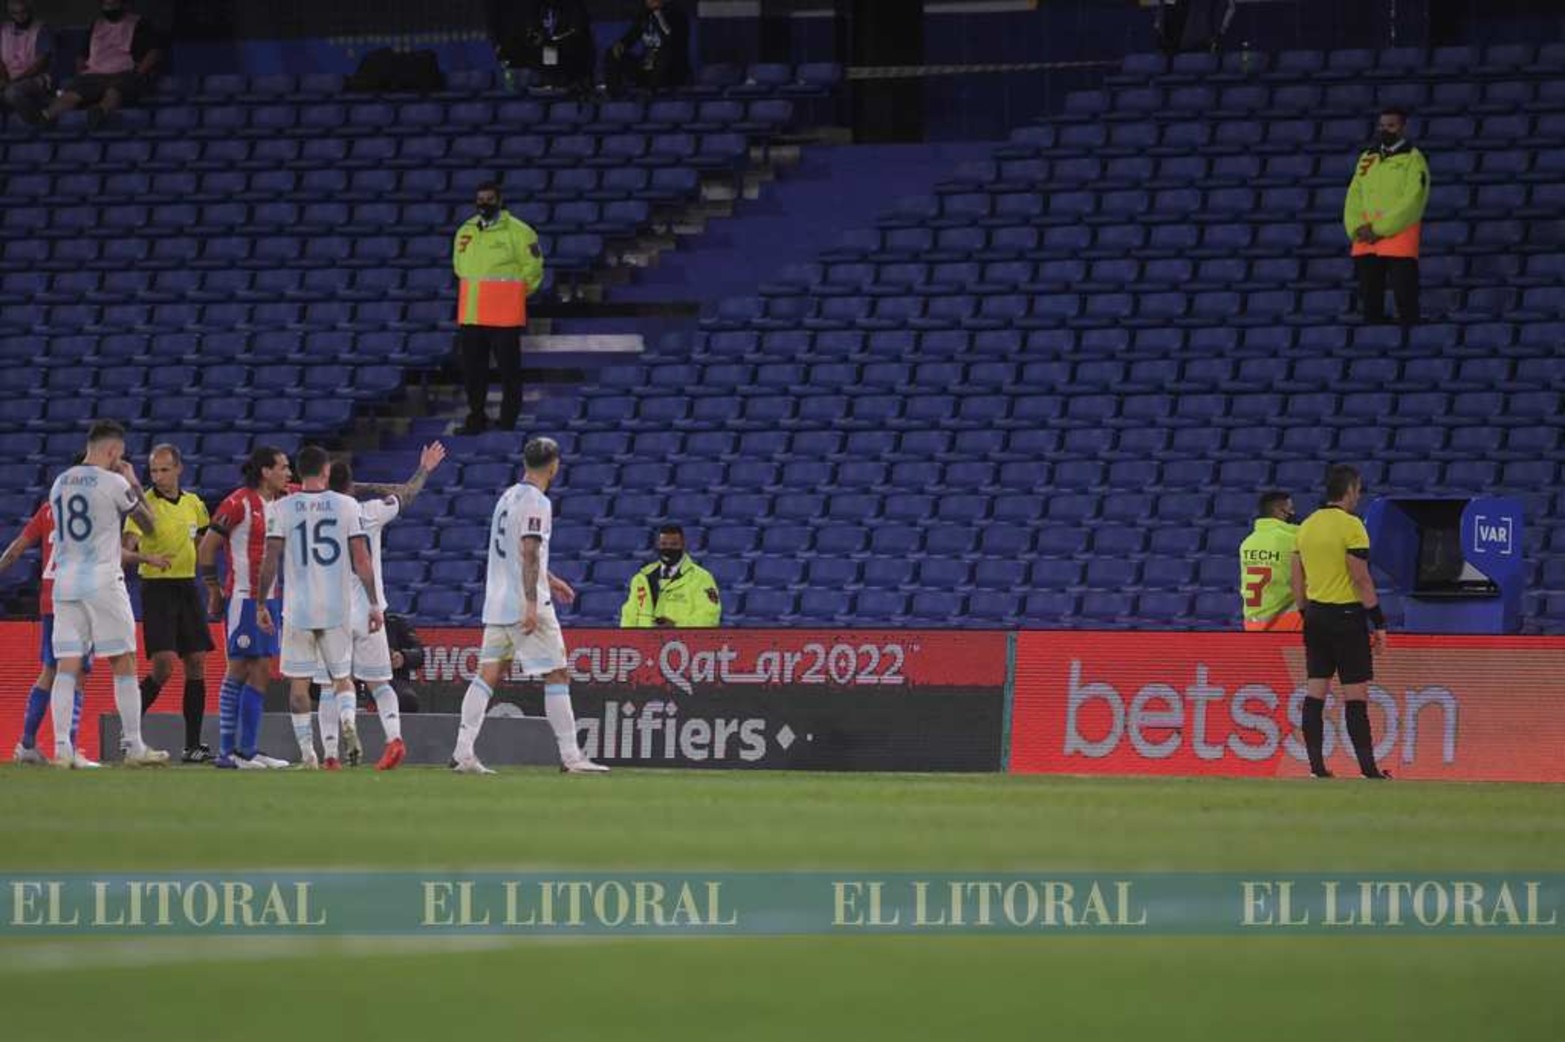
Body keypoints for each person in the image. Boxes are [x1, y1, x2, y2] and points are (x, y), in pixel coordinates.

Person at [452, 436, 606, 774]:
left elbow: (515, 552)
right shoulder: (538, 502)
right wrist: (533, 603)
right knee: (557, 673)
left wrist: (551, 579)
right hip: (524, 603)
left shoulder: (507, 498)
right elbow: (529, 551)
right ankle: (571, 757)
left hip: (497, 603)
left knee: (488, 674)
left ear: (525, 463)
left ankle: (462, 752)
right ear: (554, 466)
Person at [310, 443, 446, 770]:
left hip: (331, 611)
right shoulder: (369, 511)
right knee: (380, 683)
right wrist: (424, 468)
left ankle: (331, 754)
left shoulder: (313, 515)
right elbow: (406, 495)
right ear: (350, 483)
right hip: (368, 611)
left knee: (330, 685)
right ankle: (394, 739)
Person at [46, 420, 169, 768]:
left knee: (67, 666)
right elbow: (149, 526)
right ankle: (134, 746)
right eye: (120, 454)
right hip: (101, 580)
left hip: (65, 583)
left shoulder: (60, 482)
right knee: (124, 660)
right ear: (113, 450)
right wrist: (133, 483)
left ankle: (62, 749)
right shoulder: (113, 482)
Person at [255, 445, 382, 771]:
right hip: (336, 607)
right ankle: (348, 721)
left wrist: (261, 602)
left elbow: (270, 560)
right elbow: (361, 559)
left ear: (299, 472)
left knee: (298, 687)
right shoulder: (347, 505)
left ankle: (309, 754)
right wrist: (373, 604)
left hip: (298, 609)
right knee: (341, 679)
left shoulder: (280, 507)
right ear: (326, 471)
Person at [1289, 464, 1391, 780]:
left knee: (1315, 692)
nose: (1358, 496)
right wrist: (1378, 622)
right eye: (1357, 490)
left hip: (1316, 615)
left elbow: (1296, 578)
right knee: (1355, 697)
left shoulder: (1306, 526)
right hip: (1347, 617)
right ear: (1349, 491)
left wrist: (1306, 613)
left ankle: (1317, 768)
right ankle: (1368, 770)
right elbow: (1360, 578)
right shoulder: (1352, 526)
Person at [197, 445, 293, 770]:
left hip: (269, 598)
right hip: (243, 598)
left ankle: (245, 750)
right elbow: (206, 548)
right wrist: (213, 589)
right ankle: (231, 752)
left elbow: (318, 488)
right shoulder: (238, 503)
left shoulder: (283, 499)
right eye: (283, 467)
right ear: (266, 471)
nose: (288, 473)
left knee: (260, 669)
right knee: (242, 668)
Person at [122, 444, 215, 763]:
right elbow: (126, 549)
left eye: (164, 470)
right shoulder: (143, 506)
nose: (158, 476)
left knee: (197, 662)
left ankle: (192, 746)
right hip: (157, 589)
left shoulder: (194, 504)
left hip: (187, 586)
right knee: (163, 666)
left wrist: (213, 582)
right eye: (153, 471)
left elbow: (204, 543)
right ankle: (129, 734)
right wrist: (145, 556)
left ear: (178, 469)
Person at [452, 181, 545, 435]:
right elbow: (460, 267)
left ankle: (507, 422)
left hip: (505, 316)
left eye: (489, 199)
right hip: (472, 315)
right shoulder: (465, 230)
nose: (484, 203)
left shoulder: (520, 231)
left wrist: (514, 296)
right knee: (473, 373)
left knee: (509, 374)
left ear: (500, 201)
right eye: (480, 199)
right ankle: (476, 420)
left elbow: (534, 269)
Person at [1345, 107, 1430, 327]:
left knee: (1406, 303)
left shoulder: (1413, 159)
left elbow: (1413, 201)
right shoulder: (1367, 158)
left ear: (1403, 128)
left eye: (1391, 126)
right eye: (1382, 126)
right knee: (1370, 306)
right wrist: (1356, 227)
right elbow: (1354, 195)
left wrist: (1379, 229)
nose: (1384, 130)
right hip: (1366, 240)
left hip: (1398, 239)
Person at [42, 0, 165, 130]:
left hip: (124, 73)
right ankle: (46, 116)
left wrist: (138, 74)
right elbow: (82, 56)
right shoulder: (96, 25)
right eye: (106, 5)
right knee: (71, 94)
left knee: (113, 92)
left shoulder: (140, 23)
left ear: (123, 4)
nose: (109, 8)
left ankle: (100, 111)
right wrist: (80, 74)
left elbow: (154, 52)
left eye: (113, 4)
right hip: (93, 75)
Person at [619, 524, 722, 628]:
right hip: (644, 638)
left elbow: (710, 617)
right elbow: (629, 615)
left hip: (682, 638)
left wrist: (677, 626)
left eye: (674, 544)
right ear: (658, 544)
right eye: (664, 544)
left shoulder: (702, 578)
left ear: (683, 545)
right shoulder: (641, 578)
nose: (668, 548)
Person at [490, 0, 595, 94]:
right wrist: (537, 36)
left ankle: (565, 81)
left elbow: (577, 30)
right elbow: (535, 30)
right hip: (550, 49)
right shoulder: (538, 7)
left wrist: (554, 39)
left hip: (572, 52)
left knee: (556, 50)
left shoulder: (572, 6)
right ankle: (550, 81)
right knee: (544, 51)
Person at [1238, 490, 1302, 633]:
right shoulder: (1293, 540)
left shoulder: (1247, 543)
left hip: (1253, 624)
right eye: (1290, 508)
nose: (1293, 513)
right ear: (1279, 511)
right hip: (1287, 622)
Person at [604, 0, 690, 95]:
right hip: (647, 69)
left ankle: (652, 90)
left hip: (668, 71)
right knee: (613, 53)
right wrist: (621, 45)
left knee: (663, 54)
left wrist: (658, 13)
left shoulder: (675, 14)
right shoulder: (645, 16)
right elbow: (631, 37)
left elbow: (671, 40)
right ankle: (613, 93)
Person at [0, 0, 55, 125]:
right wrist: (3, 79)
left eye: (23, 12)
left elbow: (39, 64)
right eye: (15, 13)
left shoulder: (41, 29)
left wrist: (12, 82)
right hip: (9, 78)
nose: (20, 16)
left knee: (12, 92)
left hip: (37, 79)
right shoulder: (4, 29)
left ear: (29, 10)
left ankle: (38, 121)